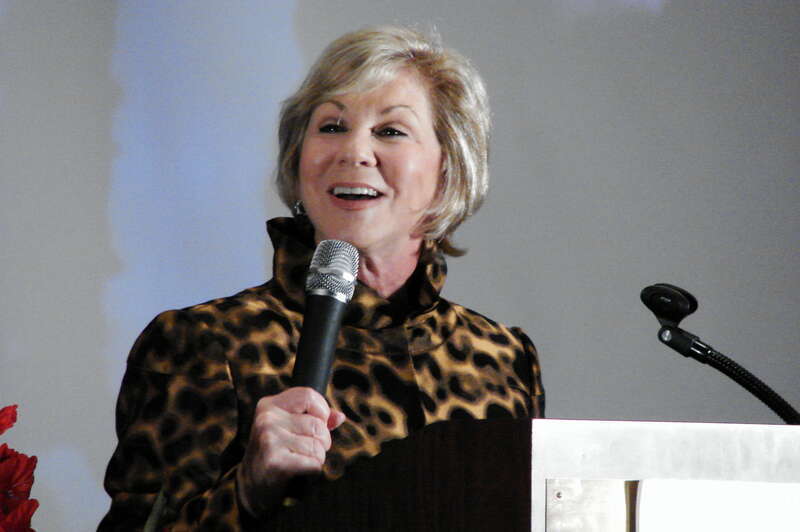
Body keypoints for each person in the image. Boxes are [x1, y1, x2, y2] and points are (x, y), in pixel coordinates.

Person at [99, 25, 544, 531]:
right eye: (332, 126)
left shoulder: (504, 359)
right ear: (298, 159)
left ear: (449, 169)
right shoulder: (203, 341)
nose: (354, 152)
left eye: (390, 131)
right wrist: (248, 490)